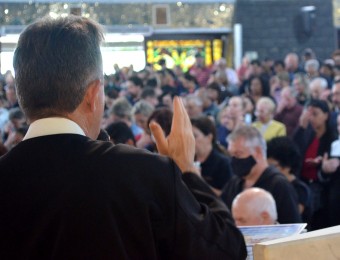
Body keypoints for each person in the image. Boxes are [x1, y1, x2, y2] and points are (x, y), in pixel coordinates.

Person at [0, 16, 247, 259]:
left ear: (21, 96)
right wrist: (186, 171)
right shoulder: (143, 173)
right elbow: (227, 250)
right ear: (94, 94)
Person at [220, 125, 301, 224]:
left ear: (258, 152)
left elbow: (291, 226)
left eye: (238, 154)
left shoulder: (279, 185)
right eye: (231, 155)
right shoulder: (234, 183)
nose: (233, 160)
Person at [267, 137, 312, 224]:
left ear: (287, 166)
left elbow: (292, 216)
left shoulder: (301, 189)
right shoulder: (271, 185)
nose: (269, 170)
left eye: (272, 166)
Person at [191, 116, 234, 195]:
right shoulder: (189, 159)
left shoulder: (223, 164)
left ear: (209, 137)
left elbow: (225, 196)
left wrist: (199, 181)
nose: (190, 140)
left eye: (195, 136)